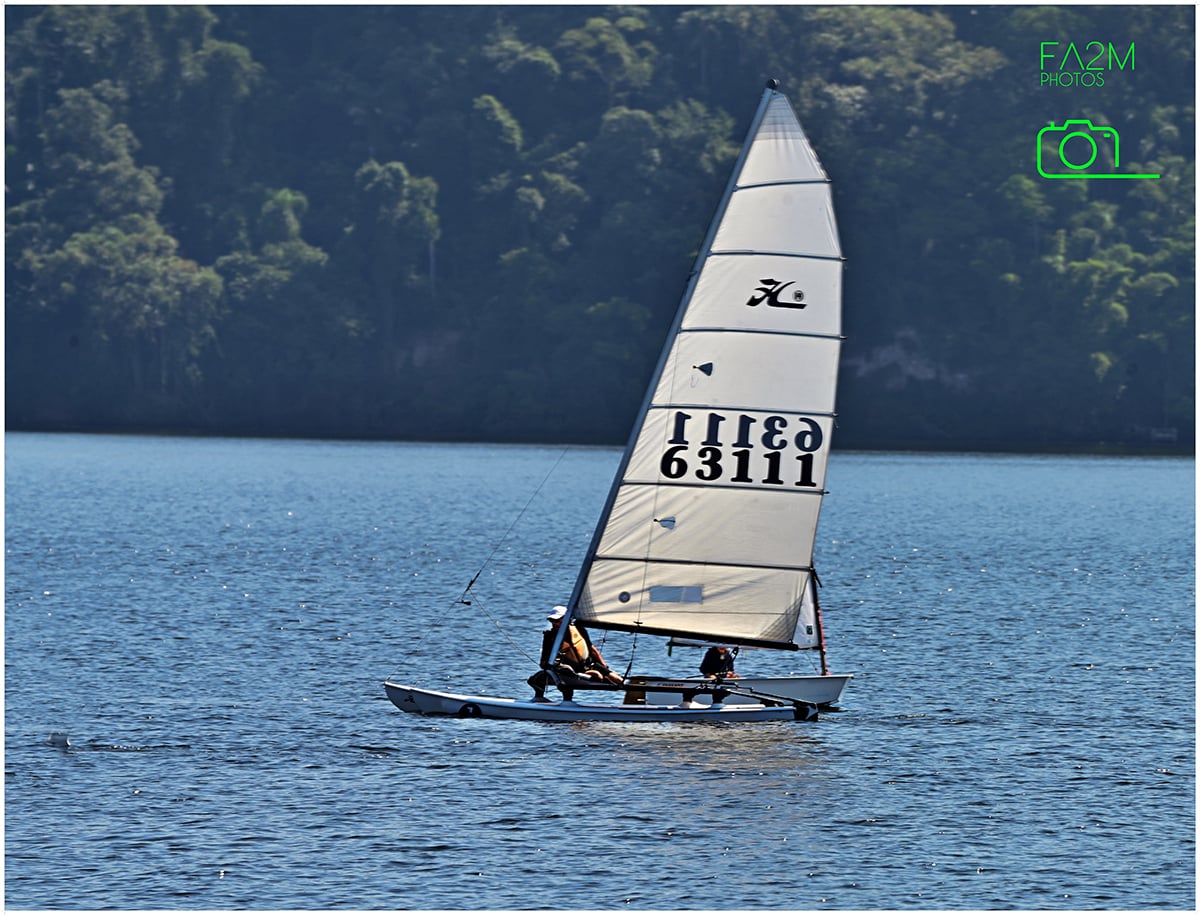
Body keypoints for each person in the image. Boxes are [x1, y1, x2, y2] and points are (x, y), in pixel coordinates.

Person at [527, 606, 623, 700]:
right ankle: (544, 698)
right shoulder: (550, 636)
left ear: (567, 619)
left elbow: (592, 649)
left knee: (618, 680)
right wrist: (554, 666)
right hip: (569, 670)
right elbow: (544, 661)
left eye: (558, 620)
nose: (554, 623)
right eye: (552, 621)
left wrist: (605, 667)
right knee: (534, 680)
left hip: (589, 665)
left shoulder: (579, 629)